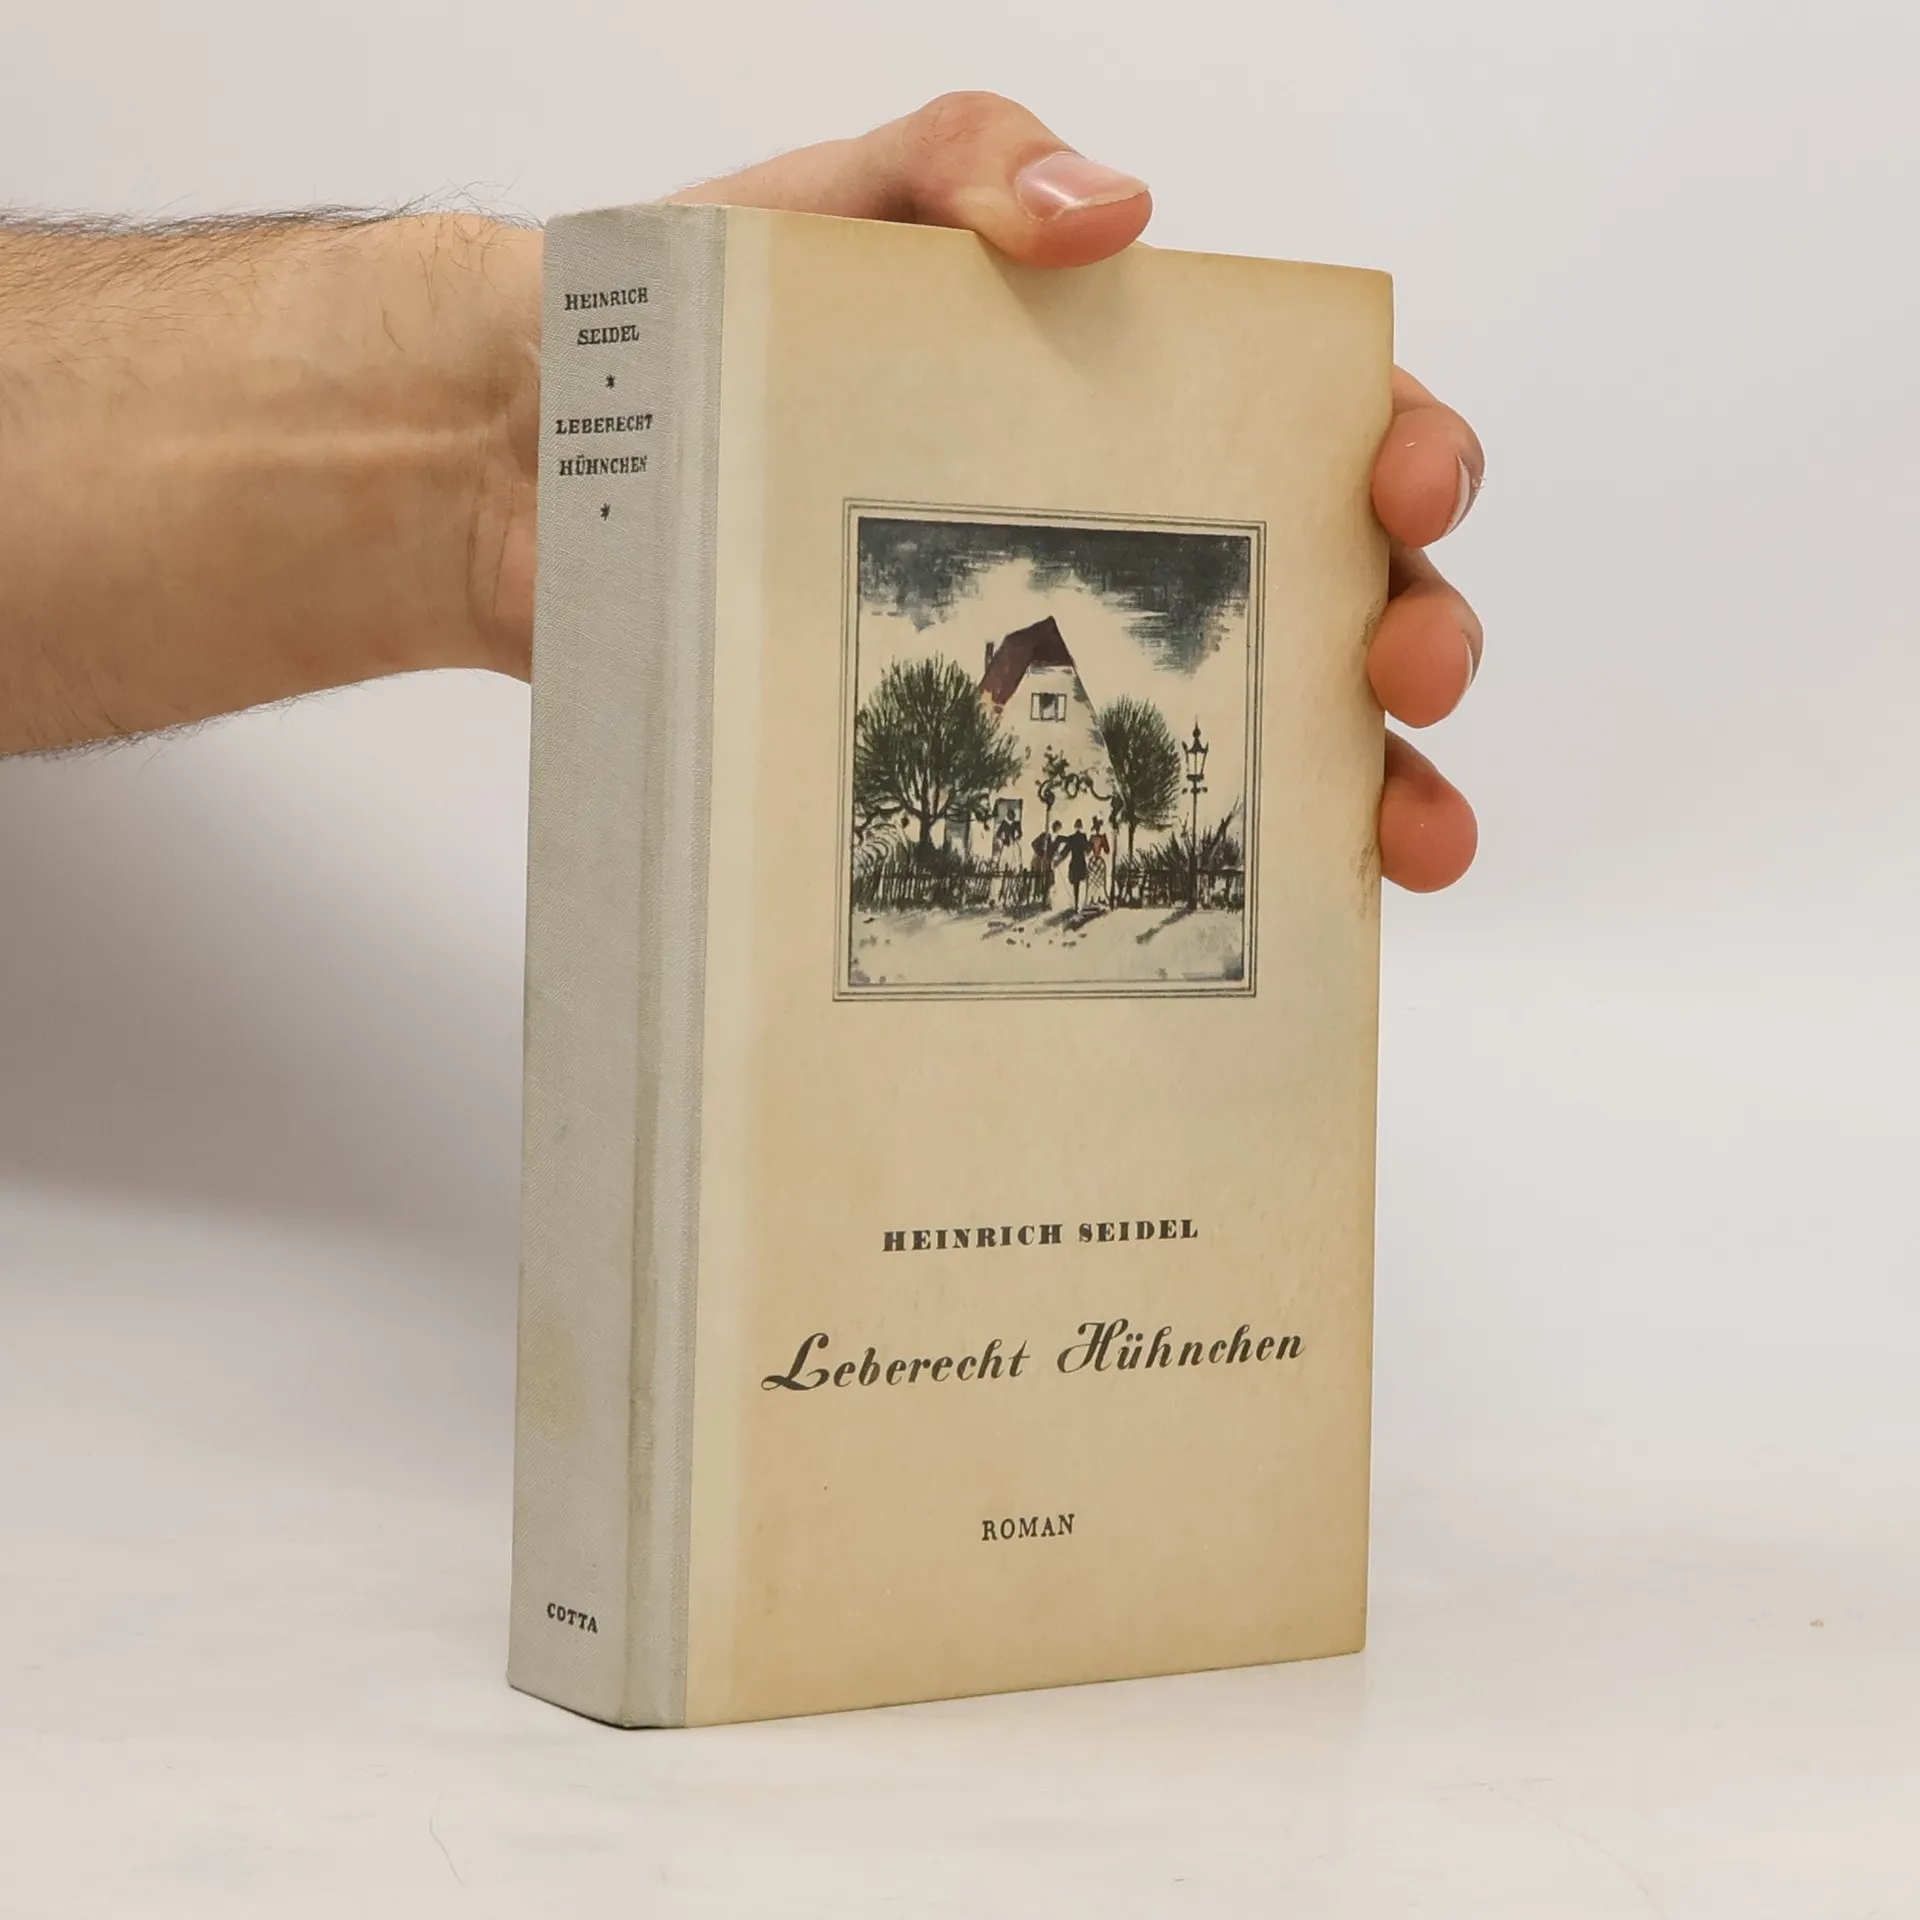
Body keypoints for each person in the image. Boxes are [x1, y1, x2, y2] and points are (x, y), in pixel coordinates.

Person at [0, 94, 1484, 898]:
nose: (1053, 733)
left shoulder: (1051, 718)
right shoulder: (1004, 711)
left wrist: (507, 429)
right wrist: (515, 431)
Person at [1055, 817, 1092, 914]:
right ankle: (1078, 905)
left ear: (1075, 827)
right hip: (1081, 863)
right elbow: (1088, 850)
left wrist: (1057, 861)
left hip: (1074, 863)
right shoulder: (1083, 837)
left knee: (1075, 885)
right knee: (1079, 884)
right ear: (1081, 827)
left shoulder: (1072, 838)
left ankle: (1076, 905)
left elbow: (1065, 852)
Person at [1087, 817, 1112, 910]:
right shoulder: (1097, 837)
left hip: (1095, 861)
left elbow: (1106, 850)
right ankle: (1094, 899)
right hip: (1096, 861)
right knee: (1095, 881)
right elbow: (1107, 850)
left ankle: (1097, 898)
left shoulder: (1095, 838)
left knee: (1096, 881)